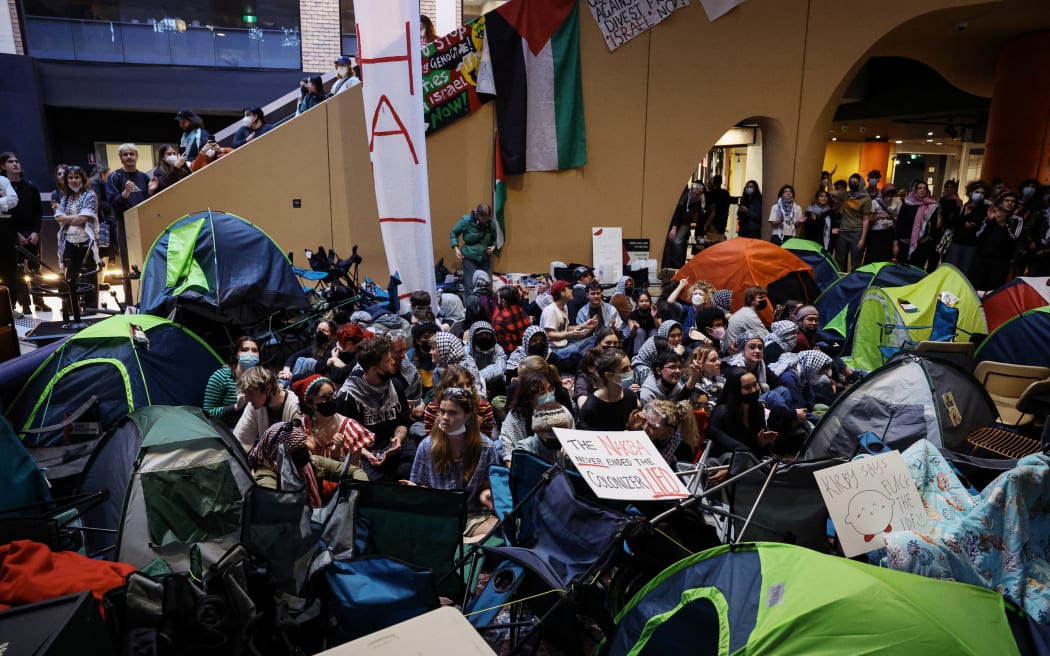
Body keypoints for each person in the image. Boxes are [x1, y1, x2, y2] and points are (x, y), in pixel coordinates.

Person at [406, 386, 500, 540]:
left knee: (500, 531)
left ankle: (462, 542)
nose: (444, 417)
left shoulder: (487, 447)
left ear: (468, 415)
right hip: (438, 517)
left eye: (452, 413)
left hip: (473, 518)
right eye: (442, 411)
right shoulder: (427, 445)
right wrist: (415, 490)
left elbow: (487, 489)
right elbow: (422, 486)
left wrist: (487, 495)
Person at [336, 335, 412, 482]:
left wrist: (398, 438)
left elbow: (403, 421)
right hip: (365, 450)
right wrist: (367, 454)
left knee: (413, 465)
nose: (393, 362)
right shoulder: (348, 397)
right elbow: (346, 439)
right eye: (388, 360)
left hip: (392, 443)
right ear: (374, 368)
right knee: (374, 480)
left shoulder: (395, 384)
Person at [249, 421, 367, 505]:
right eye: (295, 450)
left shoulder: (312, 462)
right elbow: (271, 504)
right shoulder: (266, 474)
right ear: (278, 455)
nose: (303, 453)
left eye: (302, 446)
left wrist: (357, 496)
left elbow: (355, 471)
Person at [54, 165, 102, 319]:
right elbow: (57, 217)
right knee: (69, 276)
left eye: (76, 177)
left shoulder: (90, 194)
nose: (73, 181)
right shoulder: (65, 197)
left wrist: (67, 219)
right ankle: (70, 307)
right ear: (66, 180)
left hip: (86, 240)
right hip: (68, 239)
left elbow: (83, 219)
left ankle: (90, 310)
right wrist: (71, 219)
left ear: (82, 178)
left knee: (89, 275)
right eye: (70, 177)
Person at [292, 374, 374, 463]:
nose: (330, 400)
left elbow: (355, 470)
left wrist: (337, 454)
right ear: (310, 403)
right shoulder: (302, 427)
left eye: (332, 394)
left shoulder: (351, 429)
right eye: (323, 397)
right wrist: (313, 451)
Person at [0, 152, 44, 315]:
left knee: (35, 269)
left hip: (32, 233)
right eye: (10, 162)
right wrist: (16, 233)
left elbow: (38, 211)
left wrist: (35, 231)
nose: (15, 164)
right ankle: (24, 305)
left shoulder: (30, 186)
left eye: (17, 161)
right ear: (3, 166)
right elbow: (5, 214)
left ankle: (40, 301)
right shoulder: (2, 186)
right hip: (12, 234)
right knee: (17, 272)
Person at [708, 368, 780, 458]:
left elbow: (756, 448)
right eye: (747, 388)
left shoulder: (758, 408)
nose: (753, 390)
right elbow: (715, 448)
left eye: (755, 385)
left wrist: (761, 442)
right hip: (726, 464)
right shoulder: (722, 413)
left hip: (751, 461)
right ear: (736, 390)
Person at [499, 368, 564, 463]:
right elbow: (509, 458)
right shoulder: (515, 418)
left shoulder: (562, 412)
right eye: (542, 393)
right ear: (529, 398)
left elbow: (572, 440)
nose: (549, 395)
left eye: (550, 390)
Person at [233, 366, 302, 450]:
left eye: (251, 394)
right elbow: (240, 440)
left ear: (267, 388)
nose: (247, 399)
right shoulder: (254, 405)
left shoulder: (296, 406)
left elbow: (299, 447)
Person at [421, 364, 496, 438]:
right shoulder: (433, 409)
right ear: (448, 388)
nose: (466, 389)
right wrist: (440, 427)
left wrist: (474, 429)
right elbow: (431, 444)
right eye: (460, 385)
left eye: (468, 384)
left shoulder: (483, 408)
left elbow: (485, 444)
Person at [577, 348, 640, 431]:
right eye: (624, 369)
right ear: (609, 376)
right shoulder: (591, 407)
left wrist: (631, 428)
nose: (631, 372)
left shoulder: (630, 396)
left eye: (630, 367)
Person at [203, 336, 260, 428]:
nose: (250, 354)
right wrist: (235, 407)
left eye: (254, 350)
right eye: (245, 350)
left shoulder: (262, 377)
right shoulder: (221, 377)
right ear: (236, 355)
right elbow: (208, 412)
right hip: (228, 429)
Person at [974, 196, 1023, 291]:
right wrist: (989, 220)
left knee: (994, 288)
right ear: (1001, 203)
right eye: (1007, 201)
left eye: (1013, 201)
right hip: (984, 257)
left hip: (1002, 260)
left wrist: (1003, 225)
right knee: (977, 286)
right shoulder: (992, 215)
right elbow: (978, 236)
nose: (1010, 203)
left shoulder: (1017, 220)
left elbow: (1014, 238)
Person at [943, 180, 987, 283]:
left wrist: (974, 224)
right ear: (970, 193)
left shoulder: (985, 209)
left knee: (965, 273)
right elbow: (953, 224)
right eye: (977, 192)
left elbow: (984, 226)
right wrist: (964, 215)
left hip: (972, 246)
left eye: (982, 193)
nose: (979, 195)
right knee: (951, 271)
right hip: (957, 242)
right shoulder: (963, 206)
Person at [450, 203, 497, 299]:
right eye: (483, 218)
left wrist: (494, 247)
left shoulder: (491, 223)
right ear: (477, 215)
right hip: (470, 257)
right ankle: (471, 309)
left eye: (487, 218)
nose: (485, 221)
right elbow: (454, 233)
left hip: (485, 257)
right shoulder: (466, 220)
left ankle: (488, 308)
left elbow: (495, 240)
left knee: (488, 285)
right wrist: (456, 248)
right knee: (470, 285)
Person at [893, 180, 940, 269]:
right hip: (905, 242)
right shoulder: (907, 204)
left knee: (917, 269)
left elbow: (934, 225)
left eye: (924, 188)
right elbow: (900, 223)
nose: (922, 190)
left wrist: (930, 239)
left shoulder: (931, 205)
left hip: (922, 243)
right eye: (919, 188)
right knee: (902, 269)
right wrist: (895, 242)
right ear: (915, 190)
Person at [832, 173, 873, 272]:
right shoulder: (846, 195)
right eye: (851, 183)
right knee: (839, 260)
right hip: (843, 231)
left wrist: (862, 239)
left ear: (861, 183)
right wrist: (829, 177)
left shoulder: (866, 199)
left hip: (856, 233)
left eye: (855, 183)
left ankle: (854, 283)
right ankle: (839, 282)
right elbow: (831, 192)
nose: (853, 184)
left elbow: (866, 220)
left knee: (856, 262)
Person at [641, 399, 699, 467]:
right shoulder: (638, 430)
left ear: (669, 432)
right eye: (644, 421)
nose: (645, 428)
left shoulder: (682, 449)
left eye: (653, 427)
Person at [665, 182, 705, 268]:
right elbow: (678, 212)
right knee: (672, 241)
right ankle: (673, 265)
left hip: (686, 223)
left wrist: (701, 235)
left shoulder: (701, 201)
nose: (694, 196)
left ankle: (678, 265)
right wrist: (674, 227)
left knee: (677, 242)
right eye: (693, 193)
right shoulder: (685, 196)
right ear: (691, 191)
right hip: (677, 221)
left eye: (697, 194)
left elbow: (701, 219)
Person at [723, 285, 769, 351]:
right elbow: (766, 336)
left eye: (765, 297)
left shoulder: (745, 311)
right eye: (761, 298)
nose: (764, 300)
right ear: (751, 300)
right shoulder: (749, 315)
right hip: (735, 354)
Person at [466, 321, 506, 398]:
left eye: (487, 335)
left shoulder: (497, 349)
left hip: (493, 385)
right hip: (474, 388)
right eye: (480, 335)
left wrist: (478, 377)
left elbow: (500, 369)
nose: (484, 338)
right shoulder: (466, 352)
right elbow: (468, 376)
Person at [492, 285, 530, 355]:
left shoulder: (500, 319)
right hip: (528, 354)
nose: (497, 301)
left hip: (513, 360)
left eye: (498, 299)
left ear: (503, 301)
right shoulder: (523, 312)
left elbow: (506, 350)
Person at [865, 184, 898, 264]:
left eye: (892, 194)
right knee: (874, 255)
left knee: (886, 256)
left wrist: (890, 217)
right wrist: (879, 217)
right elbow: (870, 219)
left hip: (889, 232)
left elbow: (898, 219)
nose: (890, 196)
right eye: (888, 194)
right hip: (876, 232)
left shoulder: (897, 202)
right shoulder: (875, 202)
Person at [689, 345, 724, 411]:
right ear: (700, 363)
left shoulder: (722, 380)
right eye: (713, 360)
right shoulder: (694, 385)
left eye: (718, 359)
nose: (719, 362)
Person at [626, 290, 659, 355]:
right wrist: (635, 327)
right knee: (640, 331)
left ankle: (654, 355)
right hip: (638, 340)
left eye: (646, 301)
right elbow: (632, 334)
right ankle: (638, 356)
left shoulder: (655, 312)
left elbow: (660, 329)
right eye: (641, 301)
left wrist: (654, 317)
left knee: (654, 331)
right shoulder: (633, 315)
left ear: (650, 302)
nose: (644, 303)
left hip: (652, 336)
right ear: (637, 303)